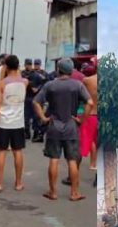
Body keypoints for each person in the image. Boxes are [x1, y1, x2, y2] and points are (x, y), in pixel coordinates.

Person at [33, 57, 93, 202]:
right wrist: (81, 119)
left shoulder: (50, 85)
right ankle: (74, 192)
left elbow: (36, 102)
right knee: (72, 160)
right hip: (71, 126)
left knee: (54, 159)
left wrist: (43, 118)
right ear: (71, 70)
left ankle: (53, 192)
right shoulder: (77, 85)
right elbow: (90, 103)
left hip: (54, 125)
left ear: (58, 70)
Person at [0, 55, 28, 192]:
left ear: (6, 67)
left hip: (4, 121)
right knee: (18, 151)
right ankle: (19, 182)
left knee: (1, 151)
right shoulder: (25, 82)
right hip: (18, 121)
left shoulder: (2, 84)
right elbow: (19, 77)